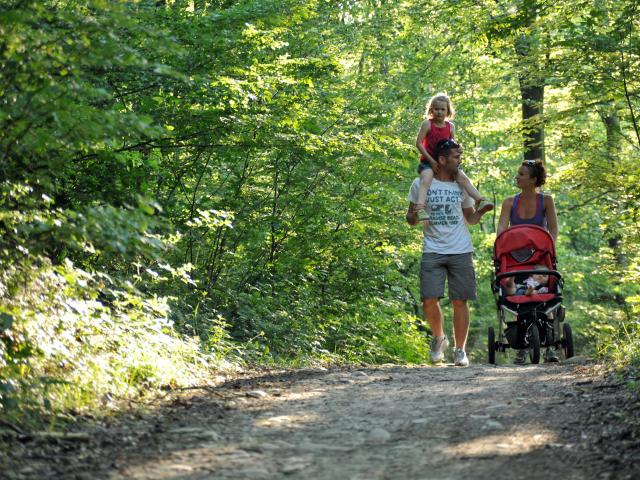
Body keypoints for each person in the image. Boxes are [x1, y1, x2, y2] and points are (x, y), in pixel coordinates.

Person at [406, 138, 490, 366]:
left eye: (459, 157)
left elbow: (470, 219)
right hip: (432, 249)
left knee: (460, 300)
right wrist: (415, 214)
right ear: (442, 160)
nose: (459, 161)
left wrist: (481, 213)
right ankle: (439, 338)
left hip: (460, 249)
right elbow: (410, 219)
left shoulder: (461, 185)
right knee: (428, 299)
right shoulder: (421, 183)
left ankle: (460, 350)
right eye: (455, 157)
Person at [497, 159, 559, 364]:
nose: (517, 177)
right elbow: (502, 232)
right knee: (516, 293)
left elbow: (553, 230)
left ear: (533, 180)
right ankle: (522, 347)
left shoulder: (546, 200)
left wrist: (551, 249)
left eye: (521, 174)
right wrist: (499, 252)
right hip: (515, 259)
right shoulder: (509, 202)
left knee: (545, 297)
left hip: (539, 259)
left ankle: (550, 346)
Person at [414, 93, 493, 223]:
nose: (439, 112)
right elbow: (418, 143)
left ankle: (480, 200)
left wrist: (459, 149)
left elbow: (453, 144)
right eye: (436, 109)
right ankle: (419, 208)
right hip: (429, 160)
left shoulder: (450, 126)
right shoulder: (427, 124)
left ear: (448, 111)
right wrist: (431, 160)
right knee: (426, 178)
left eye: (442, 109)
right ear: (431, 109)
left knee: (463, 178)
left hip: (447, 162)